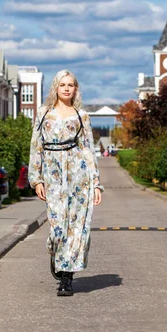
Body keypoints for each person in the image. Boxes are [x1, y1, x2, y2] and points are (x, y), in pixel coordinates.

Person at [28, 70, 103, 297]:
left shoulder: (81, 115)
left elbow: (88, 149)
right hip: (52, 174)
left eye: (71, 85)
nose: (67, 89)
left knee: (76, 226)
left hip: (78, 174)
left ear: (75, 89)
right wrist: (36, 179)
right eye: (63, 85)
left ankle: (66, 277)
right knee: (58, 226)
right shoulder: (44, 113)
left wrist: (96, 183)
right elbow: (36, 146)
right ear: (56, 88)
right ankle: (56, 253)